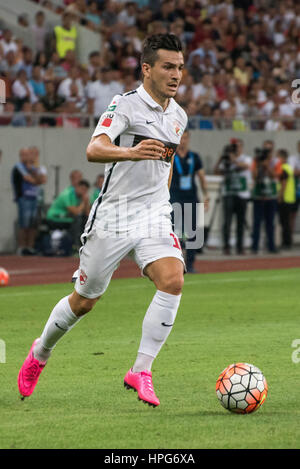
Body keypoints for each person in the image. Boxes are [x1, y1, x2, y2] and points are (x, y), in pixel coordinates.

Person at [18, 33, 187, 408]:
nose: (176, 74)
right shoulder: (124, 105)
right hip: (113, 216)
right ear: (147, 69)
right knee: (84, 300)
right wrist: (130, 152)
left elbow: (167, 162)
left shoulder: (178, 115)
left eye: (179, 67)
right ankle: (40, 353)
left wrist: (163, 199)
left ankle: (141, 370)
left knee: (173, 280)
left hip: (154, 214)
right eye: (167, 66)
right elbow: (94, 148)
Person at [169, 129, 209, 272]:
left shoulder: (195, 157)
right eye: (181, 138)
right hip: (174, 197)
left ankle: (190, 264)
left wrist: (206, 195)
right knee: (174, 232)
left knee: (192, 232)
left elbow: (202, 177)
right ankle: (176, 264)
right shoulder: (170, 155)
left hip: (191, 197)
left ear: (188, 139)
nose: (183, 141)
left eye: (185, 138)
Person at [214, 138, 252, 255]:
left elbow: (246, 166)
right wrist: (221, 158)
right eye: (234, 147)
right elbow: (216, 171)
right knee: (227, 221)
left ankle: (240, 246)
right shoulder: (226, 160)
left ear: (242, 147)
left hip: (242, 194)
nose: (236, 149)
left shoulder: (246, 158)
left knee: (241, 222)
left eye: (238, 146)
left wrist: (233, 159)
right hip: (228, 193)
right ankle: (226, 246)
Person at [11, 147, 47, 255]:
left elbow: (43, 180)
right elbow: (31, 180)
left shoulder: (37, 167)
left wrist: (34, 172)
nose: (28, 157)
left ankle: (30, 247)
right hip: (24, 198)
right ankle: (22, 247)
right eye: (25, 155)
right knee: (24, 224)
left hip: (35, 198)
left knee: (33, 225)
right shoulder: (19, 166)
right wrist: (37, 179)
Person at [46, 178, 90, 252]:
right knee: (77, 220)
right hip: (54, 218)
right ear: (77, 187)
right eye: (82, 189)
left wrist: (86, 203)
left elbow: (87, 214)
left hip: (67, 218)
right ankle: (75, 246)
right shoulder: (67, 194)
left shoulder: (81, 196)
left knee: (85, 220)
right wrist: (83, 202)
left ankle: (83, 245)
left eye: (85, 190)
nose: (84, 192)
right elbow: (75, 212)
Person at [251, 141, 278, 254]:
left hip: (271, 196)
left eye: (269, 150)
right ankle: (255, 247)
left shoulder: (276, 161)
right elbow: (254, 176)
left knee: (270, 223)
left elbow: (275, 176)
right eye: (265, 149)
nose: (267, 152)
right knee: (256, 223)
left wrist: (267, 166)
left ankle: (271, 246)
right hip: (258, 196)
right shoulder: (256, 161)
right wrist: (259, 165)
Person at [276, 149, 295, 249]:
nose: (276, 159)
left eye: (278, 157)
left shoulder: (283, 168)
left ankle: (286, 243)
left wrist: (280, 196)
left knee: (284, 222)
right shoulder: (288, 167)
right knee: (286, 222)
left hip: (284, 198)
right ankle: (287, 242)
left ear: (283, 158)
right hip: (289, 198)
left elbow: (284, 183)